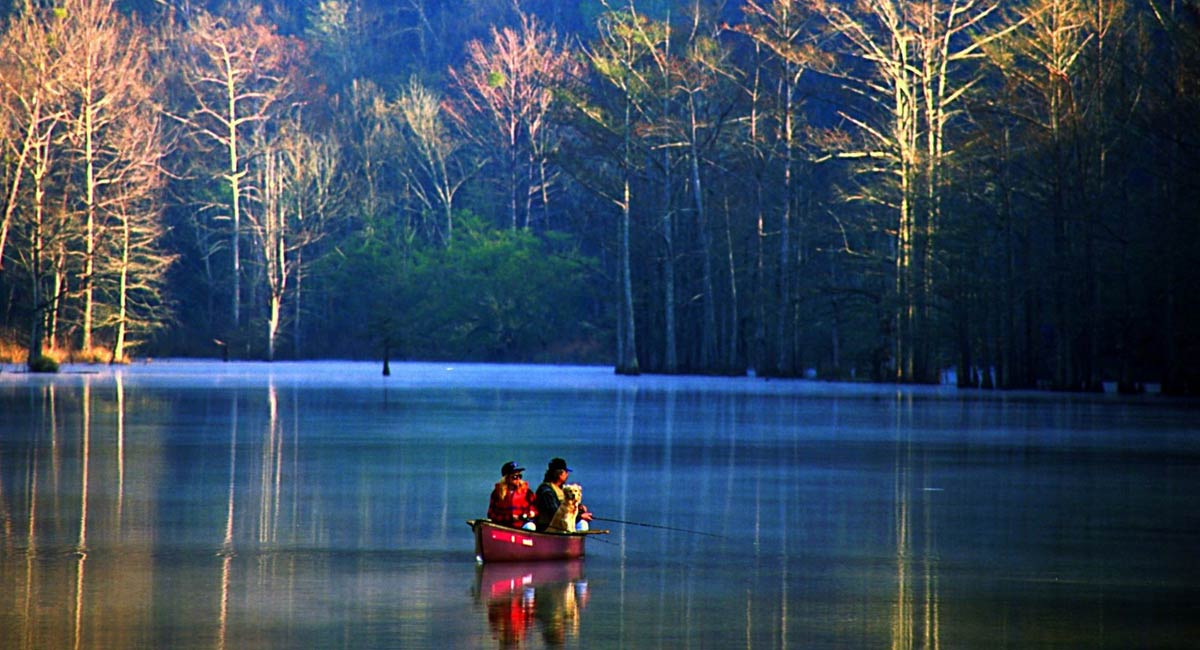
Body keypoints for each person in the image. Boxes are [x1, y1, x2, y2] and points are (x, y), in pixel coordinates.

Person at [534, 457, 592, 532]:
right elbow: (555, 512)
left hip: (563, 523)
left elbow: (567, 505)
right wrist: (580, 516)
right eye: (566, 472)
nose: (567, 474)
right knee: (582, 524)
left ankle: (574, 542)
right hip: (550, 526)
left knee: (583, 524)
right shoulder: (546, 490)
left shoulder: (562, 489)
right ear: (559, 474)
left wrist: (579, 507)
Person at [488, 461, 537, 530]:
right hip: (503, 526)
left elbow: (535, 508)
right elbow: (491, 514)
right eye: (515, 477)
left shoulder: (527, 492)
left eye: (520, 476)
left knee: (530, 526)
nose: (518, 479)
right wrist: (509, 518)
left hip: (522, 526)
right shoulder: (497, 493)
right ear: (506, 478)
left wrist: (532, 513)